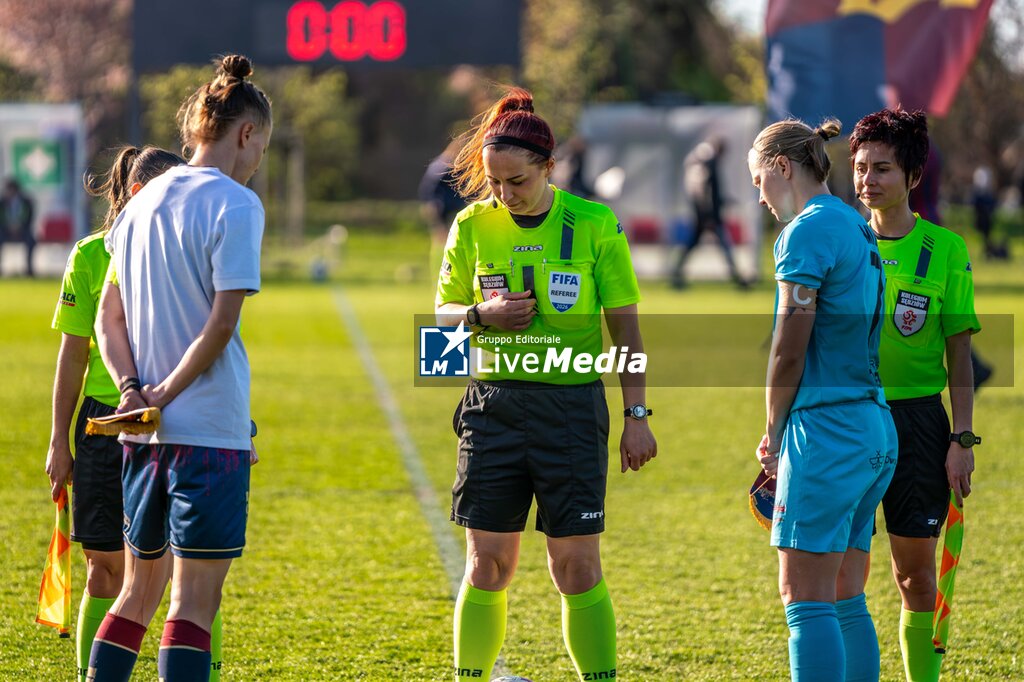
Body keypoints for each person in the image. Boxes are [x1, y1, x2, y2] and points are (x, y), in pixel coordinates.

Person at [437, 87, 657, 682]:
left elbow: (627, 335)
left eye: (517, 182)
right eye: (495, 183)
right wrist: (484, 317)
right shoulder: (472, 225)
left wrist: (637, 417)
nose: (504, 195)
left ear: (548, 168)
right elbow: (442, 324)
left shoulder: (592, 223)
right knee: (487, 565)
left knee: (577, 569)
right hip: (493, 408)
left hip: (572, 410)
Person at [89, 54, 270, 682]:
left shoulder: (138, 204)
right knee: (194, 602)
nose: (257, 163)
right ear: (246, 132)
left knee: (136, 595)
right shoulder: (237, 204)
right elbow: (220, 324)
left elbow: (106, 320)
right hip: (209, 431)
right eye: (261, 149)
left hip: (142, 432)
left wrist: (135, 390)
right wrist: (167, 390)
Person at [46, 146, 215, 682]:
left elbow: (219, 347)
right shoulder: (91, 255)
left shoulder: (195, 255)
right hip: (106, 424)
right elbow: (74, 352)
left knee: (189, 577)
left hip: (178, 419)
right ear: (141, 196)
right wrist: (58, 439)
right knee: (105, 570)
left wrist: (242, 426)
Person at [749, 117, 897, 682]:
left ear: (782, 167)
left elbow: (789, 346)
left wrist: (774, 426)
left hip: (827, 433)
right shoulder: (855, 224)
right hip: (873, 430)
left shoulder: (807, 228)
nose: (759, 196)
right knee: (843, 593)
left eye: (758, 178)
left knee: (804, 596)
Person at [850, 108, 981, 682]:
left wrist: (962, 438)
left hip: (919, 425)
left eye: (882, 168)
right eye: (859, 168)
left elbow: (960, 358)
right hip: (846, 419)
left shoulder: (946, 250)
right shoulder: (839, 241)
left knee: (915, 576)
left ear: (913, 176)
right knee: (839, 574)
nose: (867, 180)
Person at [671, 136, 750, 290]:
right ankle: (738, 278)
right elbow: (706, 190)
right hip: (709, 215)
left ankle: (676, 275)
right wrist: (709, 213)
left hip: (702, 214)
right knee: (723, 246)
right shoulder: (709, 162)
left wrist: (722, 201)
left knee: (692, 245)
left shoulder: (699, 161)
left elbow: (702, 191)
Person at [0, 177, 36, 276]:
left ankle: (29, 270)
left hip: (22, 230)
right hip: (5, 231)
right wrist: (9, 227)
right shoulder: (2, 202)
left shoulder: (26, 202)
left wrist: (19, 226)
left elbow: (29, 218)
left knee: (31, 240)